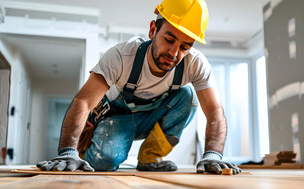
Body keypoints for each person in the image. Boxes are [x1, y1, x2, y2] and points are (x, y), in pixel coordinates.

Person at [37, 0, 241, 175]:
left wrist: (213, 154)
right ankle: (86, 156)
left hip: (153, 116)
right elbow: (83, 101)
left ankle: (148, 158)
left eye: (185, 47)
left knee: (187, 96)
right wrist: (68, 151)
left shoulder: (195, 64)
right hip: (117, 118)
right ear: (153, 30)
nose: (174, 52)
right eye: (169, 39)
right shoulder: (121, 56)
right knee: (103, 163)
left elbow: (215, 111)